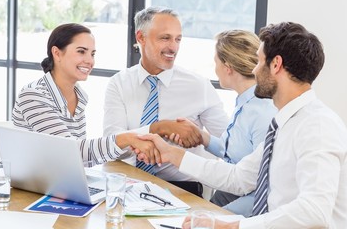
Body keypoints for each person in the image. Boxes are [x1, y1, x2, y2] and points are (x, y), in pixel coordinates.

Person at [140, 22, 347, 228]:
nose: (254, 70)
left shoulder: (317, 126)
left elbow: (314, 211)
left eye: (259, 61)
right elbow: (238, 178)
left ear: (276, 64)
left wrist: (234, 226)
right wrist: (171, 154)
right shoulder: (283, 124)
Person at [103, 6, 228, 197]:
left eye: (178, 39)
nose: (173, 47)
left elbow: (229, 147)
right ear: (141, 38)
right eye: (165, 38)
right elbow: (111, 145)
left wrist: (201, 137)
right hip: (130, 184)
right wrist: (158, 128)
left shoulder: (198, 85)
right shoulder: (119, 84)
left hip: (183, 189)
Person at [12, 23, 160, 166]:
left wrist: (129, 146)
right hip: (24, 187)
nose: (90, 61)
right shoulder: (33, 95)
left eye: (92, 54)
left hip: (59, 182)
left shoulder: (80, 97)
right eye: (81, 51)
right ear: (57, 53)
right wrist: (127, 138)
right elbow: (70, 152)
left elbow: (82, 159)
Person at [202, 30, 277, 217]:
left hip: (249, 208)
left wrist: (217, 219)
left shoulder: (262, 112)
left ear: (228, 67)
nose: (215, 69)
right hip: (230, 194)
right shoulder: (245, 103)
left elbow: (264, 189)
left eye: (215, 62)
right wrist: (203, 139)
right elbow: (239, 155)